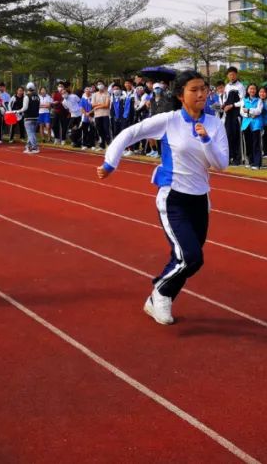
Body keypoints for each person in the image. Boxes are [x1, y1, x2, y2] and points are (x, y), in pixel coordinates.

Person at [96, 71, 228, 325]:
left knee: (187, 258)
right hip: (173, 197)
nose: (201, 94)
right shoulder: (168, 120)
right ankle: (161, 290)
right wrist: (110, 163)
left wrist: (205, 139)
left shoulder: (214, 123)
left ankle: (160, 298)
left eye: (204, 88)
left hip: (200, 198)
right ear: (180, 96)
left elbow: (220, 164)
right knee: (191, 257)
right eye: (194, 89)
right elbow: (128, 134)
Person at [221, 67, 245, 165]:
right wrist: (223, 106)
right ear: (227, 76)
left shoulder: (240, 86)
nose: (231, 76)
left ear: (236, 75)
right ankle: (229, 157)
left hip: (236, 114)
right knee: (228, 135)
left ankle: (237, 158)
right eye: (230, 74)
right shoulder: (226, 86)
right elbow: (225, 99)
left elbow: (243, 101)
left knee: (236, 136)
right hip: (228, 115)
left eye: (233, 74)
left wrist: (232, 105)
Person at [240, 83, 264, 169]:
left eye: (254, 89)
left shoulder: (259, 100)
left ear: (256, 90)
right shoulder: (244, 100)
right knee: (248, 144)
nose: (252, 90)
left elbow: (259, 111)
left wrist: (249, 110)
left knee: (256, 144)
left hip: (256, 125)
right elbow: (242, 112)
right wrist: (250, 114)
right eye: (250, 89)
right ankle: (250, 161)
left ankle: (257, 163)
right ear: (247, 90)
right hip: (246, 124)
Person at [21, 83, 41, 154]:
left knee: (30, 133)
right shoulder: (38, 97)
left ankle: (35, 147)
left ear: (27, 88)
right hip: (36, 117)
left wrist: (17, 111)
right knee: (32, 133)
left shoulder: (27, 96)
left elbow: (25, 108)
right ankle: (28, 146)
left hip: (28, 117)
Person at [91, 81, 111, 151]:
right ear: (97, 86)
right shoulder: (94, 95)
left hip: (105, 114)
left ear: (104, 85)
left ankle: (109, 145)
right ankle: (102, 145)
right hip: (97, 115)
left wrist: (98, 105)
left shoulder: (107, 94)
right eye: (98, 84)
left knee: (106, 129)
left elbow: (107, 105)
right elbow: (93, 105)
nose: (100, 85)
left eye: (101, 84)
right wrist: (101, 105)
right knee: (99, 130)